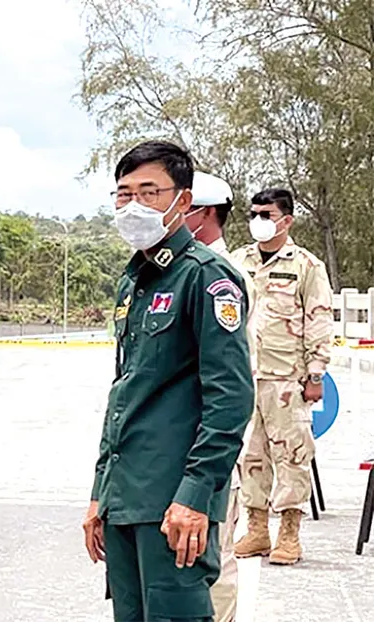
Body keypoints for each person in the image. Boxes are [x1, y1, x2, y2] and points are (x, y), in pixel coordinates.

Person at [84, 140, 255, 622]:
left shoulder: (207, 277)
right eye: (122, 193)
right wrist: (102, 491)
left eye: (149, 191)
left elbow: (230, 397)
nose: (132, 204)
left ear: (183, 201)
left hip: (174, 502)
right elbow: (126, 393)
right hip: (126, 498)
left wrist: (196, 496)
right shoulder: (134, 278)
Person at [230, 188, 334, 565]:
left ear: (286, 220)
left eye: (266, 213)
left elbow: (319, 319)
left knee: (292, 455)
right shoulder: (237, 260)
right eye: (254, 212)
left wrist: (316, 372)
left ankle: (289, 532)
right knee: (250, 455)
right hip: (244, 375)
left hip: (287, 378)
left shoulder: (307, 265)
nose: (258, 219)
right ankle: (257, 529)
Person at [187, 171, 257, 622]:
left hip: (208, 437)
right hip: (177, 437)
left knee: (214, 555)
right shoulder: (176, 269)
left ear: (206, 213)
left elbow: (228, 384)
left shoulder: (220, 277)